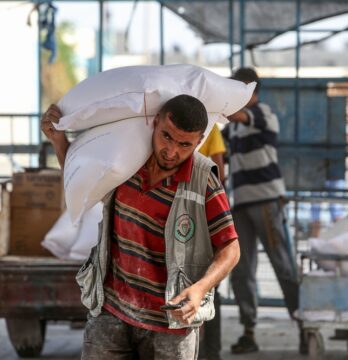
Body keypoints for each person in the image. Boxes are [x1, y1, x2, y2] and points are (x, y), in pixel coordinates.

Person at [41, 94, 240, 360]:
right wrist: (58, 141)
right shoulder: (127, 162)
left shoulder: (204, 181)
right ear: (155, 122)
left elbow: (231, 247)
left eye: (185, 144)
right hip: (111, 312)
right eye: (167, 136)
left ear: (200, 141)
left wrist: (200, 288)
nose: (172, 151)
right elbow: (83, 182)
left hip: (170, 324)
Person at [222, 68, 304, 355]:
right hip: (241, 203)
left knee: (282, 265)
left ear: (250, 92)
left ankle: (303, 324)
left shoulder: (262, 113)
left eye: (237, 90)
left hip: (267, 200)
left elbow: (235, 115)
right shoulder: (231, 128)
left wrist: (218, 104)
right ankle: (248, 331)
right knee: (241, 269)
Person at [198, 123, 226, 360]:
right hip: (201, 211)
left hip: (200, 213)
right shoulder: (210, 125)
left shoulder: (210, 125)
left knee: (208, 285)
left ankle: (211, 352)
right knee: (209, 285)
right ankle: (210, 352)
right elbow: (220, 172)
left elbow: (219, 171)